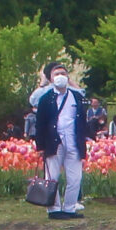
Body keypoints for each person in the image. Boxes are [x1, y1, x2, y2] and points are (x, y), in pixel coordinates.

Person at [26, 63, 89, 218]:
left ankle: (69, 208)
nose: (60, 76)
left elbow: (82, 120)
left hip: (73, 141)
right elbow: (40, 123)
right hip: (53, 143)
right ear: (51, 78)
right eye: (57, 74)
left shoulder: (76, 96)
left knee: (75, 178)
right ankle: (54, 209)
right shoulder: (46, 99)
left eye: (63, 73)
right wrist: (40, 146)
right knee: (52, 177)